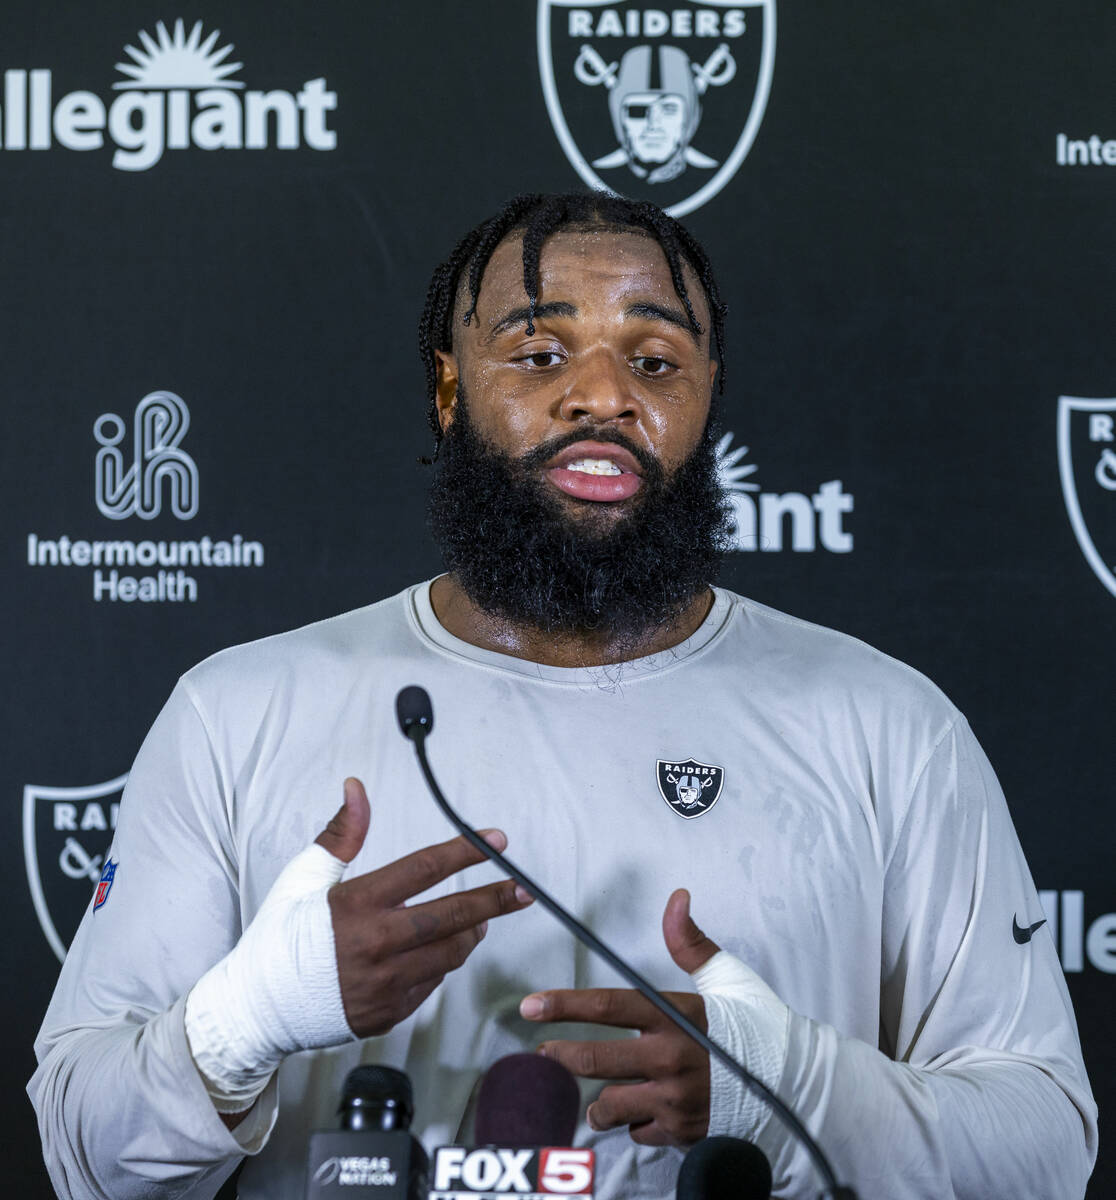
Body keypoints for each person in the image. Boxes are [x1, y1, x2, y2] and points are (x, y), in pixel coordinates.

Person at [30, 192, 1097, 1199]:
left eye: (654, 359)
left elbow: (1046, 1144)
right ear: (449, 390)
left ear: (706, 392)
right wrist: (243, 1022)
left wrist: (793, 1094)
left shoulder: (890, 728)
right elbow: (80, 1155)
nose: (601, 395)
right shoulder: (235, 713)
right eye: (540, 354)